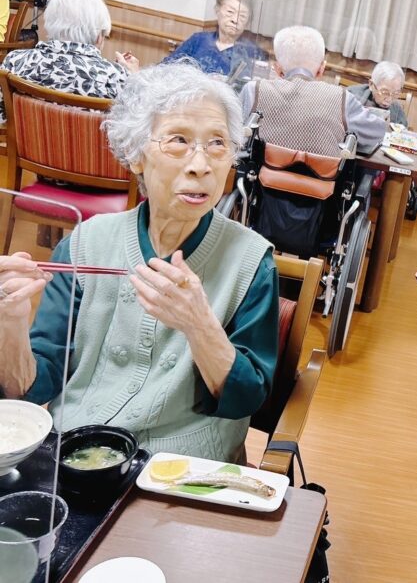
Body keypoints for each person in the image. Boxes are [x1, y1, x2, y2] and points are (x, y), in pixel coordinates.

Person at [0, 63, 279, 462]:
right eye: (179, 140)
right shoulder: (85, 246)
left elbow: (246, 397)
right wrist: (9, 323)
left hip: (181, 470)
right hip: (74, 457)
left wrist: (200, 326)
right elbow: (33, 387)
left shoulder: (252, 262)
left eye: (218, 143)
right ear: (135, 156)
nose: (201, 164)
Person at [240, 25, 388, 156]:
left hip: (254, 184)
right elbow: (378, 132)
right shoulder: (342, 99)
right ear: (321, 69)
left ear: (278, 69)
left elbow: (234, 134)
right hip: (322, 186)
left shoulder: (253, 90)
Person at [0, 0, 139, 122]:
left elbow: (1, 117)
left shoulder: (15, 62)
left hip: (25, 143)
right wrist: (134, 77)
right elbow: (133, 130)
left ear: (49, 24)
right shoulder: (117, 77)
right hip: (86, 144)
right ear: (99, 37)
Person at [164, 0, 266, 76]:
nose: (235, 20)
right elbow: (167, 66)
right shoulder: (198, 40)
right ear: (217, 10)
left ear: (248, 22)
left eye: (242, 16)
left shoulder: (253, 52)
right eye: (230, 12)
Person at [347, 61, 409, 127]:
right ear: (371, 85)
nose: (389, 99)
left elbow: (403, 132)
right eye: (385, 92)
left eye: (395, 93)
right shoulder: (351, 96)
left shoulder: (396, 108)